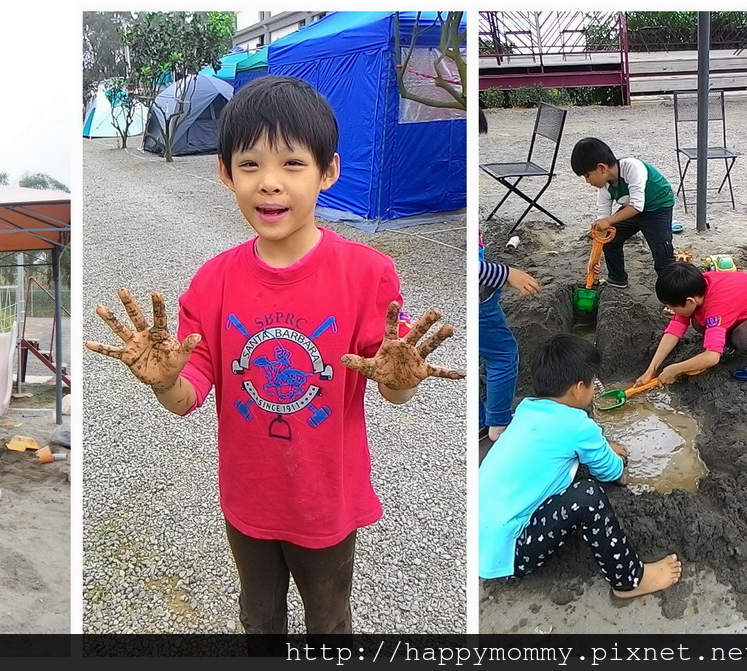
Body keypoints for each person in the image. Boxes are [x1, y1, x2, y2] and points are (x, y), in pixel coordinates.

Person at [85, 75, 464, 638]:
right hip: (249, 497)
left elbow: (391, 378)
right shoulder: (213, 282)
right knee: (259, 616)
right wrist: (165, 381)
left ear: (328, 171)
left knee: (329, 620)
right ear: (224, 172)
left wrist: (401, 380)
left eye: (292, 164)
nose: (269, 184)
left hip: (325, 499)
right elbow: (187, 393)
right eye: (249, 165)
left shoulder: (366, 274)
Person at [479, 334, 682, 598]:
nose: (595, 389)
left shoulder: (526, 410)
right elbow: (611, 473)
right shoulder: (578, 426)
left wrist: (602, 445)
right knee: (587, 496)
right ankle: (629, 580)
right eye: (593, 383)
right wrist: (616, 457)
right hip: (509, 552)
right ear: (577, 388)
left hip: (481, 538)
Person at [570, 137, 676, 289]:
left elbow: (636, 206)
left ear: (601, 168)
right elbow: (602, 226)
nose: (587, 181)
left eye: (587, 175)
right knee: (609, 239)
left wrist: (608, 221)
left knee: (662, 253)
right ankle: (617, 279)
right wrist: (593, 260)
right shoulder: (604, 188)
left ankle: (673, 294)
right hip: (631, 209)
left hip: (658, 207)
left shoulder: (632, 167)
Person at [478, 239, 540, 442]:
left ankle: (479, 421)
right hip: (480, 303)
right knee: (503, 354)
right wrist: (507, 274)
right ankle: (499, 424)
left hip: (482, 296)